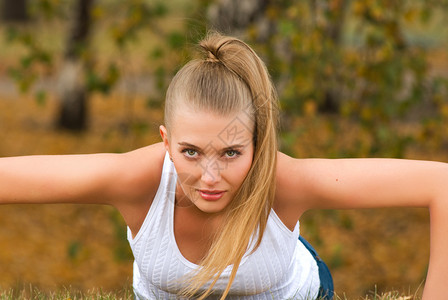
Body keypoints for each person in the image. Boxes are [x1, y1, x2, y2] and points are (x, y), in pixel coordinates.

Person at [0, 32, 446, 300]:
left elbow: (439, 184)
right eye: (191, 151)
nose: (210, 178)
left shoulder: (283, 180)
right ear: (166, 142)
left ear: (257, 146)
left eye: (231, 153)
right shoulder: (137, 180)